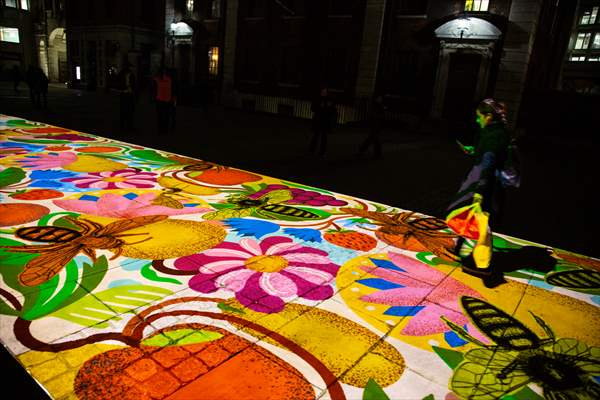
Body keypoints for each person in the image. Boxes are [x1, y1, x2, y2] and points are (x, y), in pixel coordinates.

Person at [447, 98, 511, 283]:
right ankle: (459, 247)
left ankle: (484, 267)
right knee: (469, 213)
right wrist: (474, 150)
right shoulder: (494, 132)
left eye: (479, 117)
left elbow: (489, 162)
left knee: (482, 223)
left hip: (486, 184)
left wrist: (479, 191)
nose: (477, 120)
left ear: (488, 116)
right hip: (484, 181)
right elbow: (486, 154)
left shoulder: (494, 136)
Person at [309, 87, 337, 158]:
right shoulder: (317, 99)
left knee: (324, 138)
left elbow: (333, 111)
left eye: (325, 92)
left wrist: (329, 107)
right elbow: (312, 108)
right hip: (318, 120)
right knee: (316, 136)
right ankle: (311, 151)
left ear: (327, 92)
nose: (323, 93)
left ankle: (322, 152)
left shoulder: (329, 100)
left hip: (325, 121)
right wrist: (319, 107)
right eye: (322, 92)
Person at [357, 94, 386, 159]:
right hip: (376, 124)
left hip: (376, 124)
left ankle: (363, 149)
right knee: (374, 139)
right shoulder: (377, 106)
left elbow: (377, 116)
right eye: (379, 98)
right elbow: (379, 116)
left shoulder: (376, 106)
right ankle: (377, 153)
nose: (380, 99)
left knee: (372, 138)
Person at [152, 67, 177, 135]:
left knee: (160, 115)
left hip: (159, 99)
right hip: (167, 99)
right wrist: (173, 99)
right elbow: (173, 90)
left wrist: (153, 98)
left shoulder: (156, 79)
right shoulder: (170, 80)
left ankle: (160, 129)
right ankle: (165, 129)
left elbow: (153, 90)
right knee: (167, 115)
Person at [118, 62, 137, 131]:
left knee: (124, 111)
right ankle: (128, 126)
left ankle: (124, 126)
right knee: (128, 111)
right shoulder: (129, 74)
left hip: (125, 94)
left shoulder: (122, 73)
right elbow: (134, 85)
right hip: (128, 94)